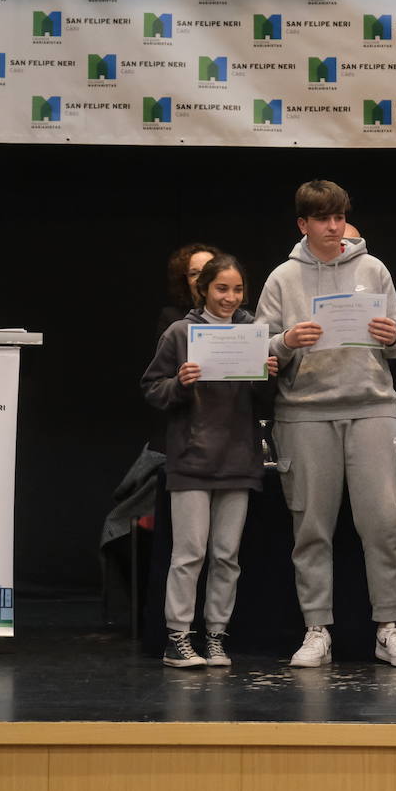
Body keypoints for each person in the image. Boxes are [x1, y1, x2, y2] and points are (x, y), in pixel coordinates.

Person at [255, 180, 396, 668]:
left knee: (385, 523)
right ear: (303, 224)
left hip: (372, 406)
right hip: (304, 413)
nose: (334, 227)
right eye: (323, 219)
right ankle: (316, 629)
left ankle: (388, 627)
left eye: (339, 217)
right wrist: (285, 340)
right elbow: (259, 348)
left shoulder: (373, 268)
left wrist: (393, 333)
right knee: (311, 527)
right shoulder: (282, 278)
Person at [141, 254, 279, 668]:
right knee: (189, 554)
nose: (230, 298)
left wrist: (269, 374)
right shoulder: (181, 333)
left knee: (226, 555)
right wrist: (180, 384)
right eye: (222, 288)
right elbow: (152, 388)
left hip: (238, 458)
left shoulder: (253, 332)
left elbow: (264, 401)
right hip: (192, 458)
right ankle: (178, 637)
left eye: (237, 290)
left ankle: (216, 635)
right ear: (203, 289)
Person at [157, 243, 221, 338]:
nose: (202, 279)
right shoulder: (171, 318)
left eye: (208, 271)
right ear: (185, 280)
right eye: (194, 274)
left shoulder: (240, 318)